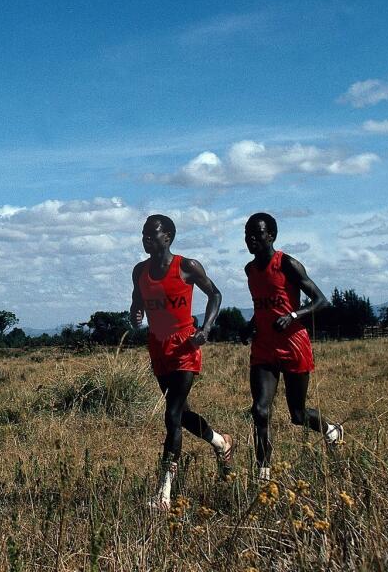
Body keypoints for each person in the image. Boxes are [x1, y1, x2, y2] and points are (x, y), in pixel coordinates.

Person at [130, 214, 234, 509]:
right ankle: (221, 442)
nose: (146, 239)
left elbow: (215, 294)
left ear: (168, 237)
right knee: (182, 413)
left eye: (152, 234)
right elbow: (137, 301)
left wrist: (206, 329)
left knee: (172, 415)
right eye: (143, 234)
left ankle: (163, 493)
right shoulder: (140, 271)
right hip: (158, 347)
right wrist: (135, 314)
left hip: (185, 346)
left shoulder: (187, 267)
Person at [243, 212, 344, 482]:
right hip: (264, 347)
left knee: (297, 415)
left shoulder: (288, 264)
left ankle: (331, 429)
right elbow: (264, 306)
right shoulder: (250, 270)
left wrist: (294, 316)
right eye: (247, 234)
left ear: (271, 235)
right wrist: (251, 323)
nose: (251, 238)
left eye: (257, 233)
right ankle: (263, 473)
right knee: (260, 410)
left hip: (293, 344)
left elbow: (321, 300)